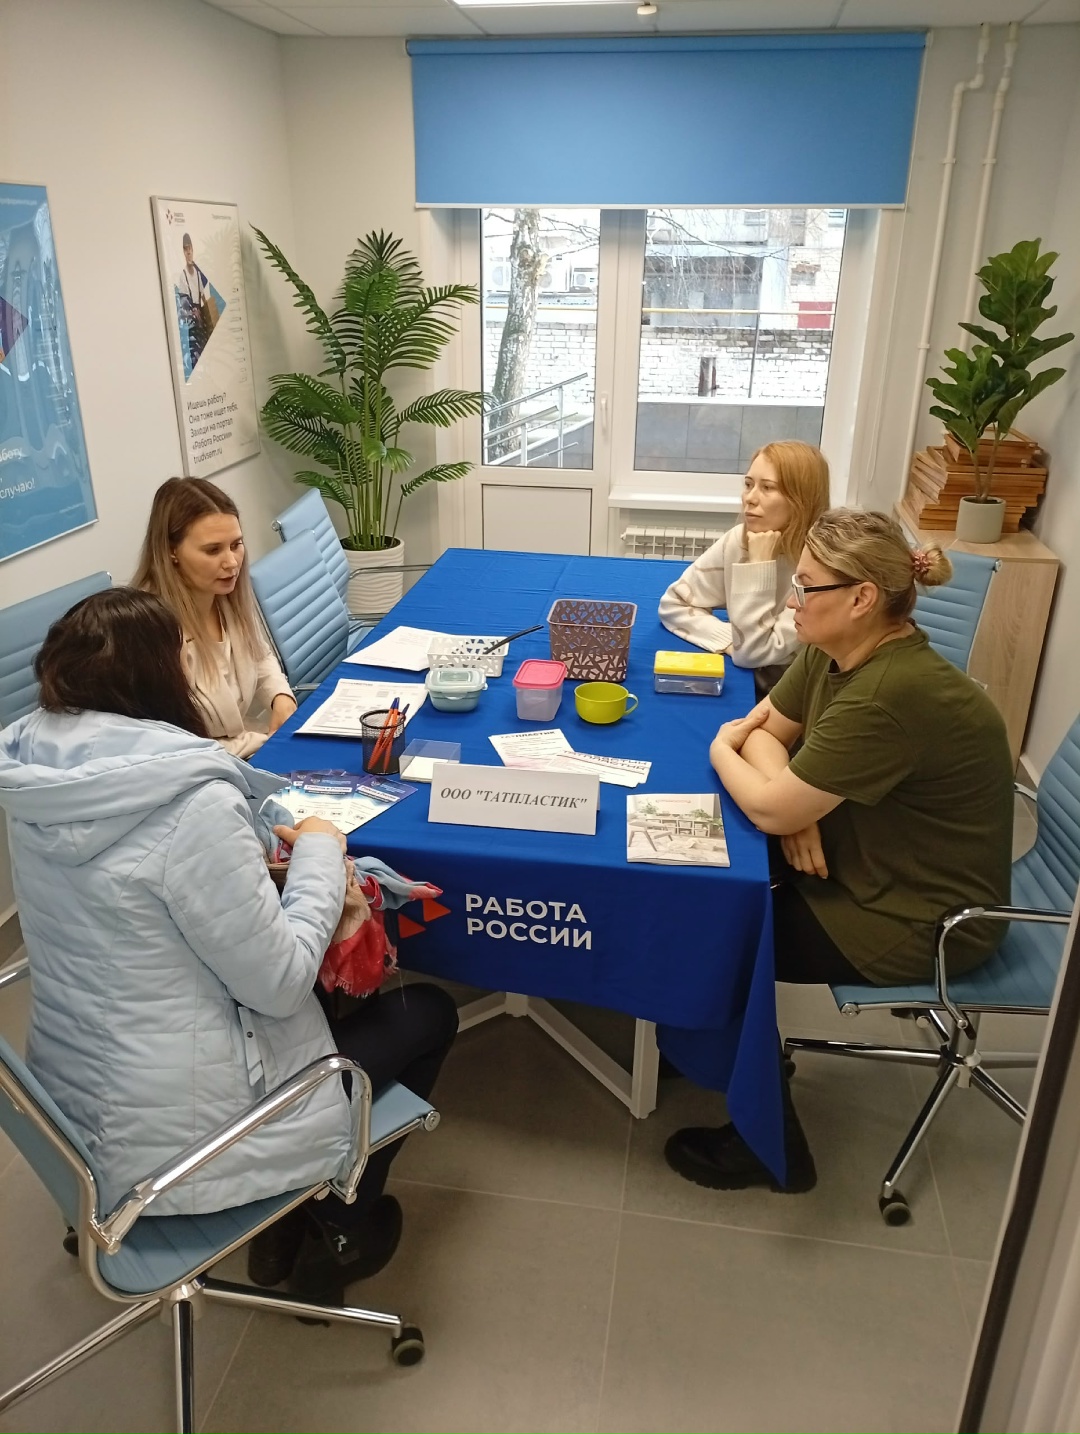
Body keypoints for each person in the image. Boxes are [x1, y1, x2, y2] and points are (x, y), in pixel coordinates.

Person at [0, 589, 458, 1299]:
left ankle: (293, 1221)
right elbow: (278, 983)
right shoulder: (192, 803)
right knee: (428, 1013)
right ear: (161, 677)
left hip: (77, 1116)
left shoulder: (39, 782)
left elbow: (136, 904)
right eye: (184, 655)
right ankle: (341, 1230)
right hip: (187, 1154)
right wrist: (319, 849)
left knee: (323, 1005)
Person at [663, 508, 1015, 1195]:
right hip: (864, 862)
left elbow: (757, 770)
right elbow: (769, 733)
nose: (791, 601)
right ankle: (701, 1036)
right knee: (711, 889)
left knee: (715, 937)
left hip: (919, 918)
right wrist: (790, 807)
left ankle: (770, 1144)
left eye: (805, 587)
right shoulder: (835, 649)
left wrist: (726, 750)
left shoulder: (887, 694)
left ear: (861, 598)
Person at [133, 476, 297, 758]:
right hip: (202, 765)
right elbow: (179, 746)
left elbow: (259, 655)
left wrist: (280, 696)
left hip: (245, 748)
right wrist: (262, 741)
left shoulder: (222, 594)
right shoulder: (150, 629)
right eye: (213, 550)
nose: (232, 562)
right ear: (171, 552)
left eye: (236, 545)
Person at [658, 440, 830, 692]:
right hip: (755, 680)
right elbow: (673, 604)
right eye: (748, 484)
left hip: (791, 696)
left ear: (801, 499)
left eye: (767, 488)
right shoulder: (738, 539)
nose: (750, 498)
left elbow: (751, 654)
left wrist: (759, 565)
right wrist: (733, 641)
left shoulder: (822, 567)